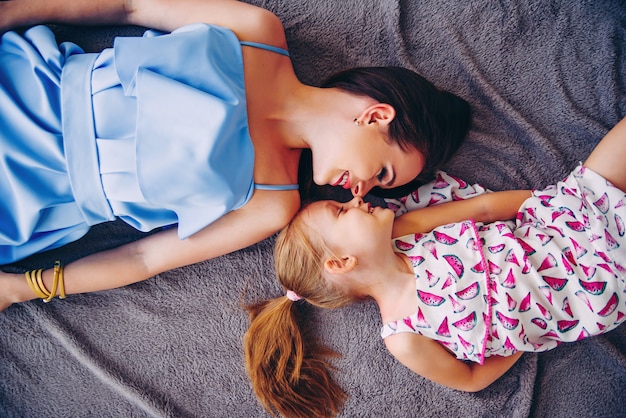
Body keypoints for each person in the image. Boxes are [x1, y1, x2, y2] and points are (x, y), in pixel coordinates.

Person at [0, 0, 471, 311]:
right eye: (382, 173)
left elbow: (145, 258)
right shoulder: (256, 31)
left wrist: (24, 288)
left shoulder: (273, 202)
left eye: (378, 188)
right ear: (376, 117)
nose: (363, 191)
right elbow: (131, 4)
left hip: (26, 200)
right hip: (25, 87)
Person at [244, 117, 626, 418]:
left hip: (563, 218)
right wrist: (526, 335)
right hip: (589, 289)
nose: (357, 197)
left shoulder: (404, 232)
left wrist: (550, 200)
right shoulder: (404, 337)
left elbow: (483, 209)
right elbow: (471, 379)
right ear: (341, 262)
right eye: (342, 210)